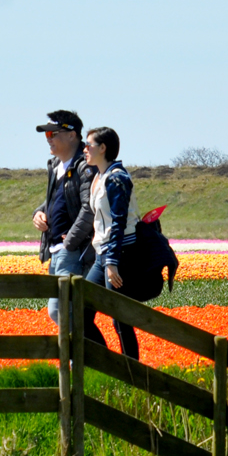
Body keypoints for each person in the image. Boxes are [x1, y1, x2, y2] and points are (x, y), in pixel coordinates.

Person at [31, 110, 103, 345]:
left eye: (53, 133)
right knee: (67, 311)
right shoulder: (55, 165)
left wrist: (69, 243)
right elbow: (54, 200)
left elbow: (88, 208)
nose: (48, 138)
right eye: (46, 134)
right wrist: (39, 213)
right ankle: (89, 362)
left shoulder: (85, 166)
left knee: (62, 310)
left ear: (72, 135)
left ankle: (94, 359)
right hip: (55, 249)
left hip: (72, 249)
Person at [81, 126, 140, 361]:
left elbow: (118, 222)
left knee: (119, 317)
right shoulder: (98, 176)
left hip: (119, 253)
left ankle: (131, 371)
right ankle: (107, 363)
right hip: (102, 254)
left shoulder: (117, 178)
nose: (84, 149)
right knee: (81, 309)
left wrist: (113, 262)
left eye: (89, 145)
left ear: (103, 148)